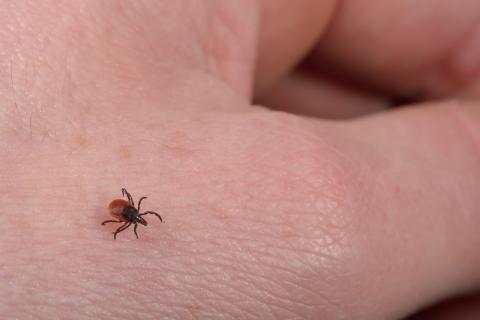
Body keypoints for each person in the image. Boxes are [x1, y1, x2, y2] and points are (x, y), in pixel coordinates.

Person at [1, 1, 480, 319]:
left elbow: (127, 204)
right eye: (134, 215)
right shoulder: (129, 214)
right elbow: (128, 205)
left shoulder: (128, 213)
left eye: (134, 215)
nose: (134, 216)